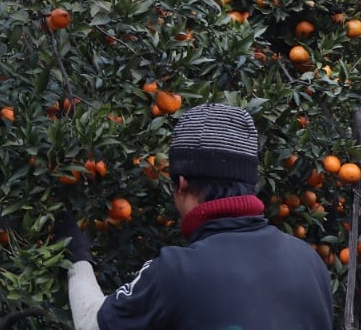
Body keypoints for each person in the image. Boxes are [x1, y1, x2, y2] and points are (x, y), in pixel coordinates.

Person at [57, 103, 334, 330]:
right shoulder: (310, 263)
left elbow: (90, 324)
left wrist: (76, 254)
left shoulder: (176, 271)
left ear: (183, 184)